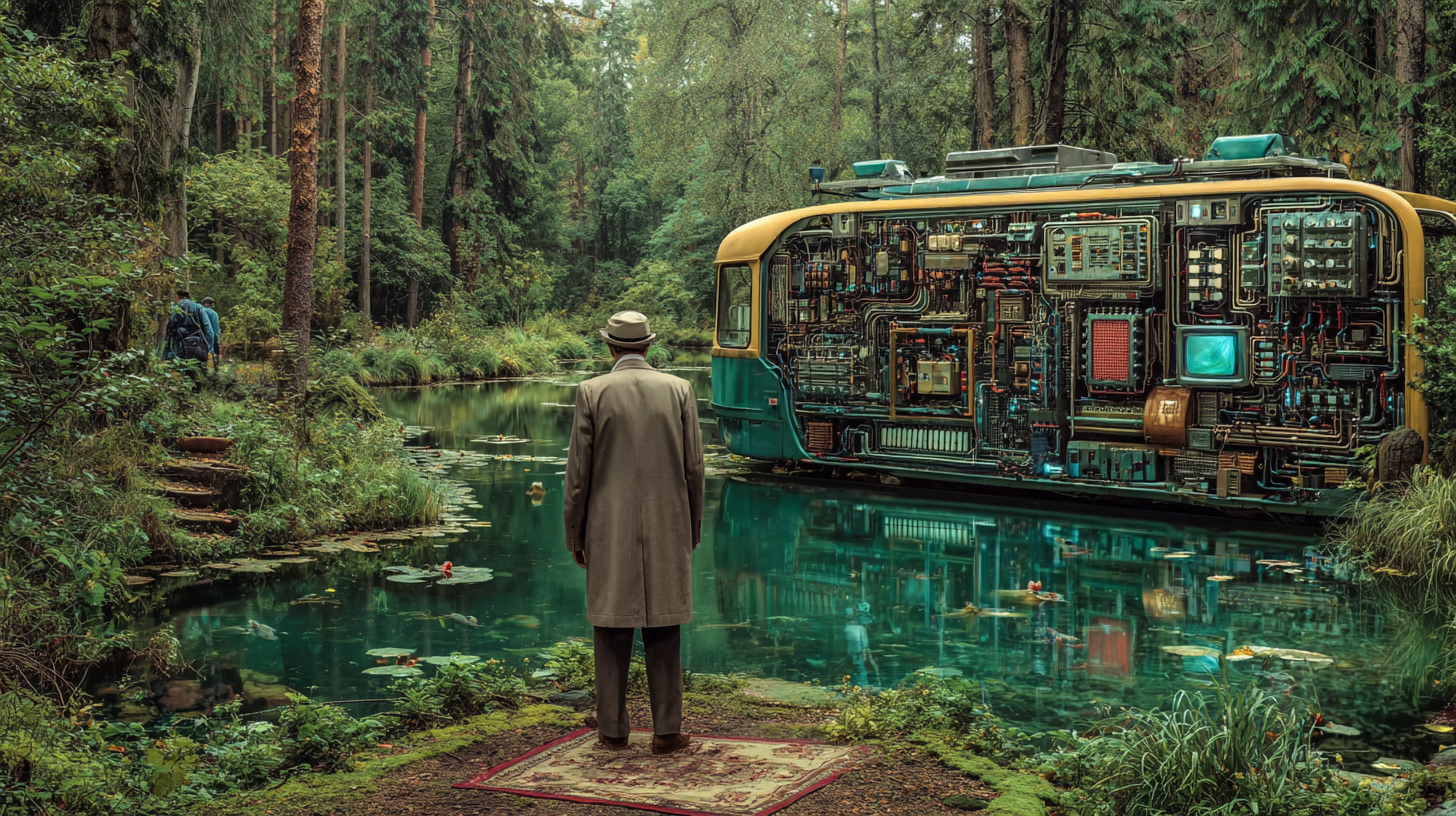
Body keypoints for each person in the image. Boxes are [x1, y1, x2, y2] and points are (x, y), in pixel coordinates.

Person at [563, 311, 705, 756]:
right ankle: (666, 731)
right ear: (648, 346)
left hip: (608, 527)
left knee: (610, 626)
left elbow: (578, 478)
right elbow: (695, 469)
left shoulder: (592, 391)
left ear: (610, 347)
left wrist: (575, 535)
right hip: (668, 524)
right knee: (664, 625)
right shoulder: (679, 389)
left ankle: (612, 729)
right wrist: (692, 528)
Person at [164, 290, 213, 391]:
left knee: (181, 369)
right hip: (197, 343)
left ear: (178, 297)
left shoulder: (175, 308)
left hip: (179, 343)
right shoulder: (198, 307)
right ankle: (197, 391)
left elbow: (170, 328)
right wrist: (208, 345)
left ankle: (182, 392)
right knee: (197, 368)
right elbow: (208, 328)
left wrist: (167, 347)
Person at [199, 297, 221, 371]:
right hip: (212, 336)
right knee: (214, 354)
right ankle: (215, 370)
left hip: (199, 336)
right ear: (210, 305)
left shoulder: (198, 311)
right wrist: (217, 339)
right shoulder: (214, 314)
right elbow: (216, 328)